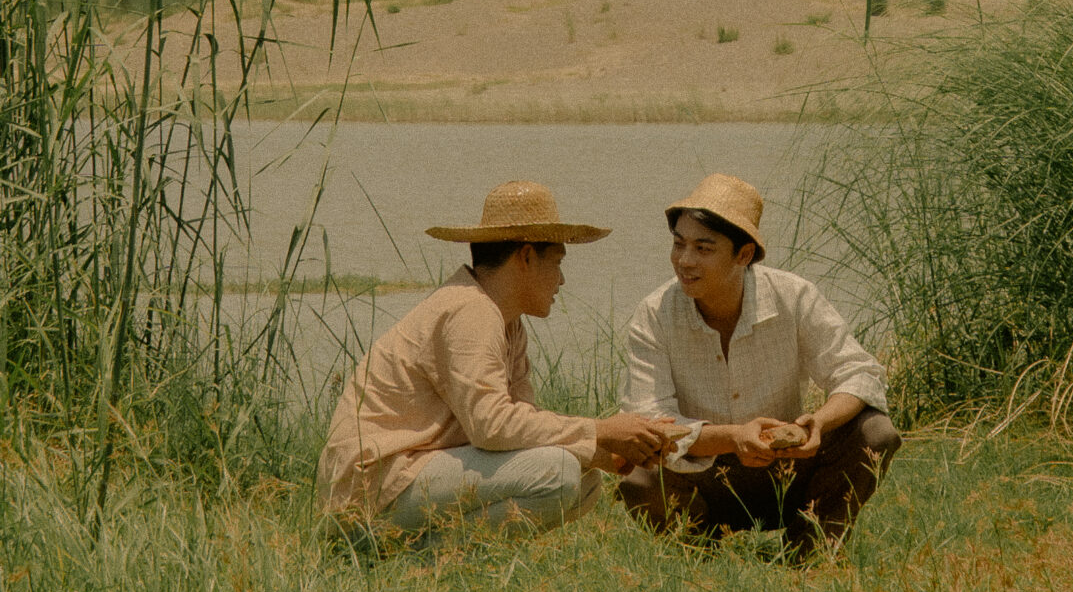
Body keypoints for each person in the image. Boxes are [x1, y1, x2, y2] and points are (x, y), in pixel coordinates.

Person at [318, 180, 673, 542]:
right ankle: (419, 564)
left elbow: (522, 427)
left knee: (584, 480)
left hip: (407, 477)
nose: (562, 280)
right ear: (527, 257)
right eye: (557, 262)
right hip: (370, 491)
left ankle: (431, 561)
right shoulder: (470, 311)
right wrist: (601, 431)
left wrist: (604, 454)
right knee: (558, 472)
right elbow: (491, 426)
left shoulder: (507, 322)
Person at [618, 173, 900, 560]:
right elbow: (648, 417)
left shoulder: (793, 296)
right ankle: (701, 560)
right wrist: (734, 436)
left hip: (787, 474)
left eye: (704, 248)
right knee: (634, 471)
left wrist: (817, 422)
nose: (684, 261)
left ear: (744, 255)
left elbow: (859, 373)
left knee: (876, 431)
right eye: (679, 244)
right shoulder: (654, 313)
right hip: (702, 481)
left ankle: (810, 550)